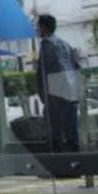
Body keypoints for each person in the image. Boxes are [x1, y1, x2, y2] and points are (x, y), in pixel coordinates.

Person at [35, 14, 81, 152]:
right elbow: (76, 65)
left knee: (54, 131)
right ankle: (76, 164)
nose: (36, 29)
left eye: (37, 26)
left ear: (44, 27)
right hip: (71, 93)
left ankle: (60, 166)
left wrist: (47, 94)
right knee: (71, 130)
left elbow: (49, 71)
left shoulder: (47, 44)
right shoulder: (64, 43)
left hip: (56, 94)